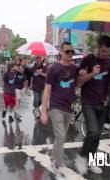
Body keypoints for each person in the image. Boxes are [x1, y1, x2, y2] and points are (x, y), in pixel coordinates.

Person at [75, 36, 110, 175]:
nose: (105, 54)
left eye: (107, 51)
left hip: (102, 103)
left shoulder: (109, 62)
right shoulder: (87, 60)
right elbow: (79, 82)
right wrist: (92, 73)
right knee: (92, 131)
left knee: (97, 136)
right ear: (98, 47)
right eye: (103, 51)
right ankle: (81, 157)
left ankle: (91, 162)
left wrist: (108, 98)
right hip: (88, 102)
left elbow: (109, 83)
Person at [41, 42, 77, 175]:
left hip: (69, 107)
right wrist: (44, 111)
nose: (70, 54)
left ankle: (53, 156)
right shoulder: (54, 69)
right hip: (56, 107)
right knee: (61, 135)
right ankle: (58, 162)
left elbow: (78, 83)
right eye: (67, 51)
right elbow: (47, 90)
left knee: (61, 136)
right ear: (61, 52)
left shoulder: (74, 69)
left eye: (72, 52)